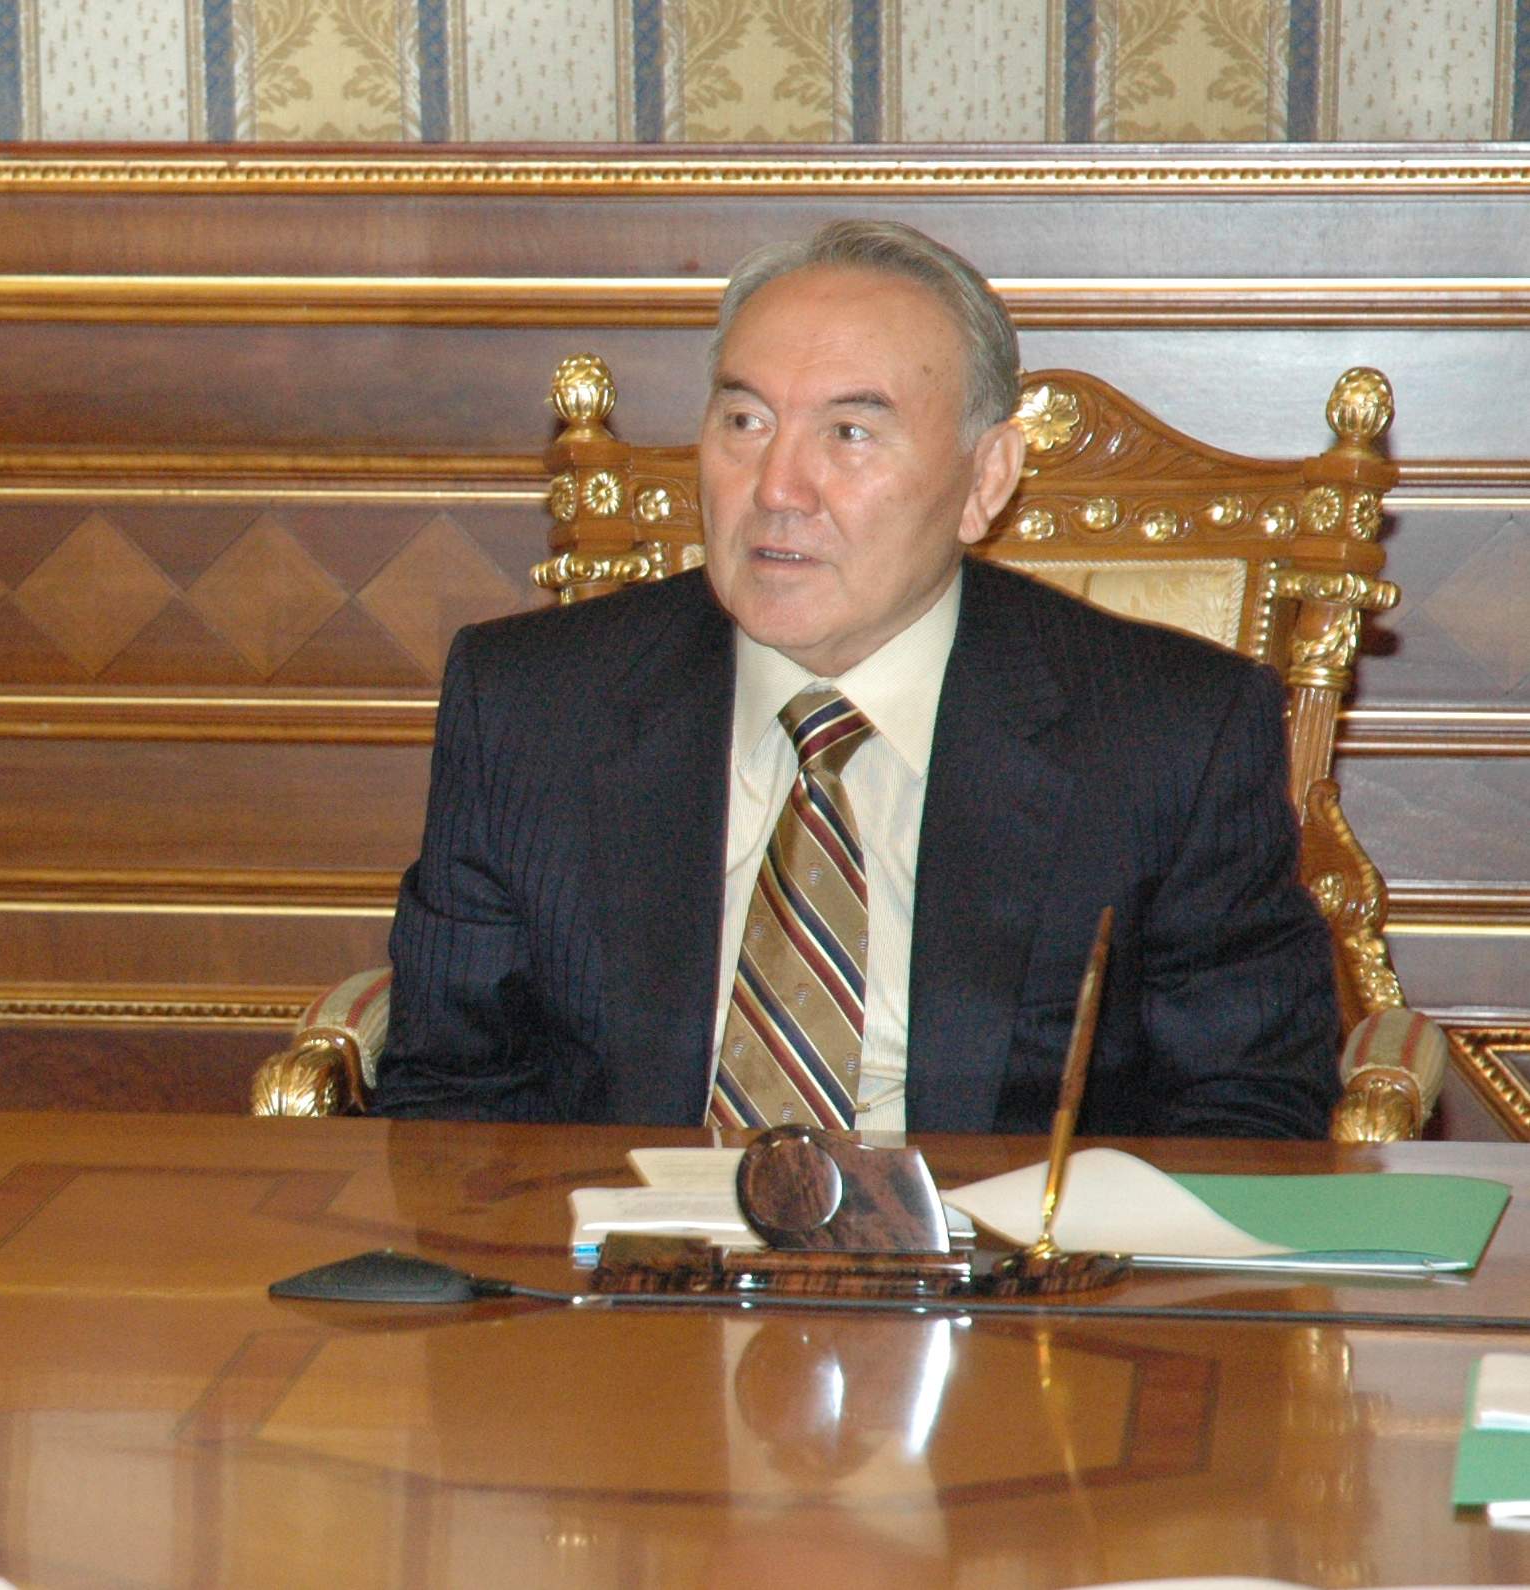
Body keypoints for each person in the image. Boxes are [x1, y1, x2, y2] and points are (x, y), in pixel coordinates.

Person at [371, 220, 1339, 1136]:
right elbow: (452, 1092)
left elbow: (1247, 1110)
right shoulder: (529, 706)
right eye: (744, 420)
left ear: (985, 480)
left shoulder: (1171, 731)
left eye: (849, 434)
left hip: (999, 1251)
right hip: (622, 1244)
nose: (776, 489)